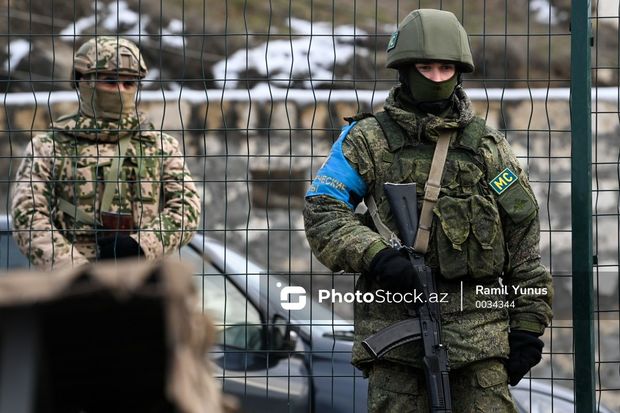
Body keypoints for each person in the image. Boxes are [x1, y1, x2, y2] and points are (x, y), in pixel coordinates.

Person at [304, 9, 552, 412]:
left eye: (445, 67)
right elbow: (323, 212)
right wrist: (379, 256)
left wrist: (527, 327)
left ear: (459, 71)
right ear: (403, 70)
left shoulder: (488, 148)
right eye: (425, 67)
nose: (436, 77)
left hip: (480, 344)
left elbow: (523, 245)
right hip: (395, 341)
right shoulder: (367, 140)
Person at [11, 36, 201, 270]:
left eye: (129, 84)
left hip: (144, 279)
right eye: (110, 81)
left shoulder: (160, 147)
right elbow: (27, 217)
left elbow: (187, 209)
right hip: (74, 288)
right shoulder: (48, 147)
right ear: (84, 82)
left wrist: (141, 246)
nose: (121, 91)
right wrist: (76, 270)